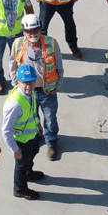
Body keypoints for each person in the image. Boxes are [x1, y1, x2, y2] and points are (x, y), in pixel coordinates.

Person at [10, 14, 64, 160]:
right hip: (28, 92)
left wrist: (56, 86)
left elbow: (59, 67)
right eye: (29, 31)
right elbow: (13, 65)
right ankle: (38, 136)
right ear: (23, 31)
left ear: (40, 29)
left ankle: (51, 142)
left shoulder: (52, 43)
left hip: (47, 91)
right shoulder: (17, 44)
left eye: (36, 30)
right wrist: (16, 85)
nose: (33, 33)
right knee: (32, 117)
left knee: (50, 118)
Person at [1, 64, 44, 200]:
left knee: (33, 153)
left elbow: (32, 110)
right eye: (24, 83)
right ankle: (19, 189)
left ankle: (28, 173)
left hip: (31, 136)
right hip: (20, 141)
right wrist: (15, 149)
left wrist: (38, 124)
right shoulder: (14, 104)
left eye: (31, 82)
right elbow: (6, 130)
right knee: (21, 164)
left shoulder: (30, 94)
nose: (28, 86)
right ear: (18, 81)